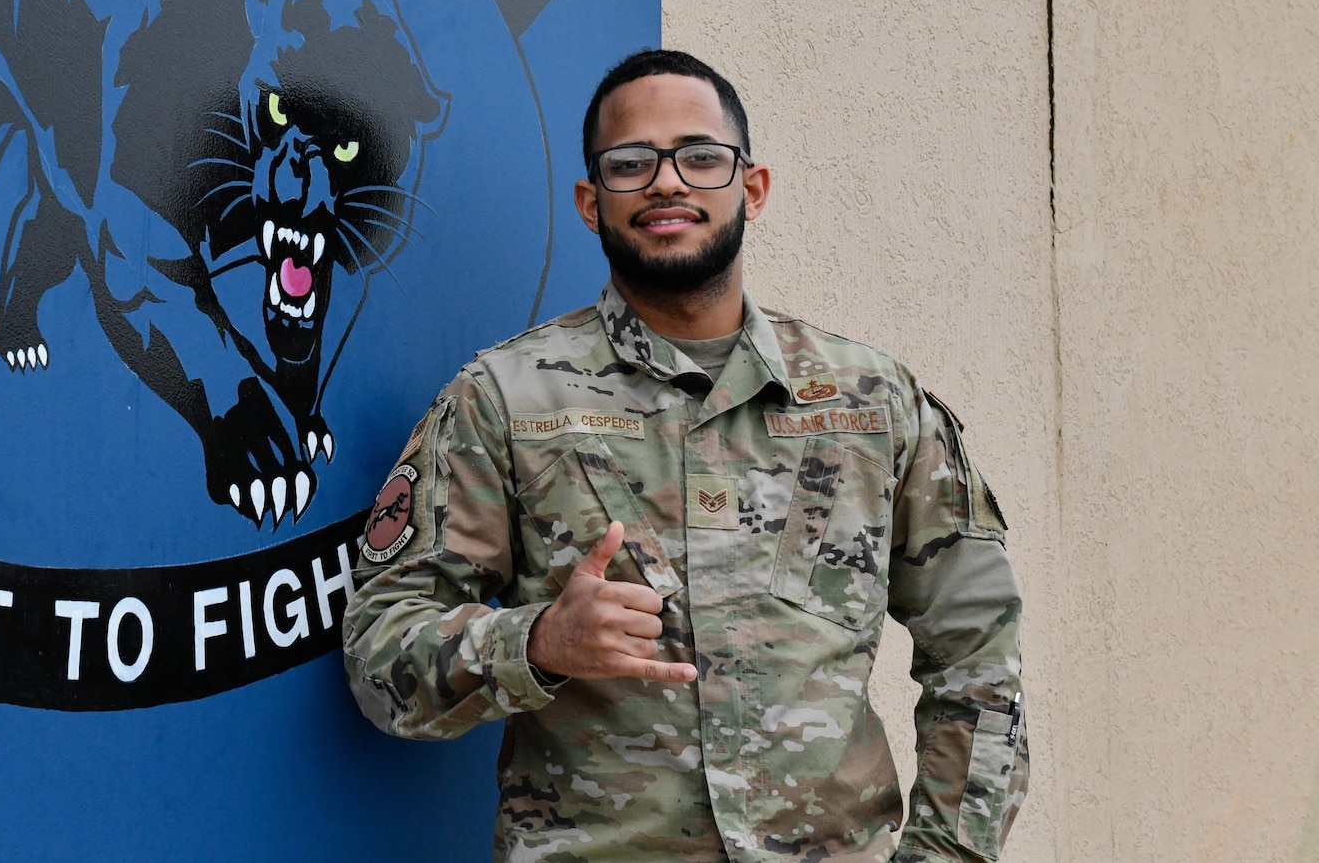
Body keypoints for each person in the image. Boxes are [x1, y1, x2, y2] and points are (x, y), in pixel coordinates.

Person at [342, 49, 1025, 862]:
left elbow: (980, 657)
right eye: (632, 163)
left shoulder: (873, 401)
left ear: (753, 186)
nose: (668, 182)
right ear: (592, 203)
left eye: (701, 156)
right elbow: (382, 649)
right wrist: (535, 644)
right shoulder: (504, 401)